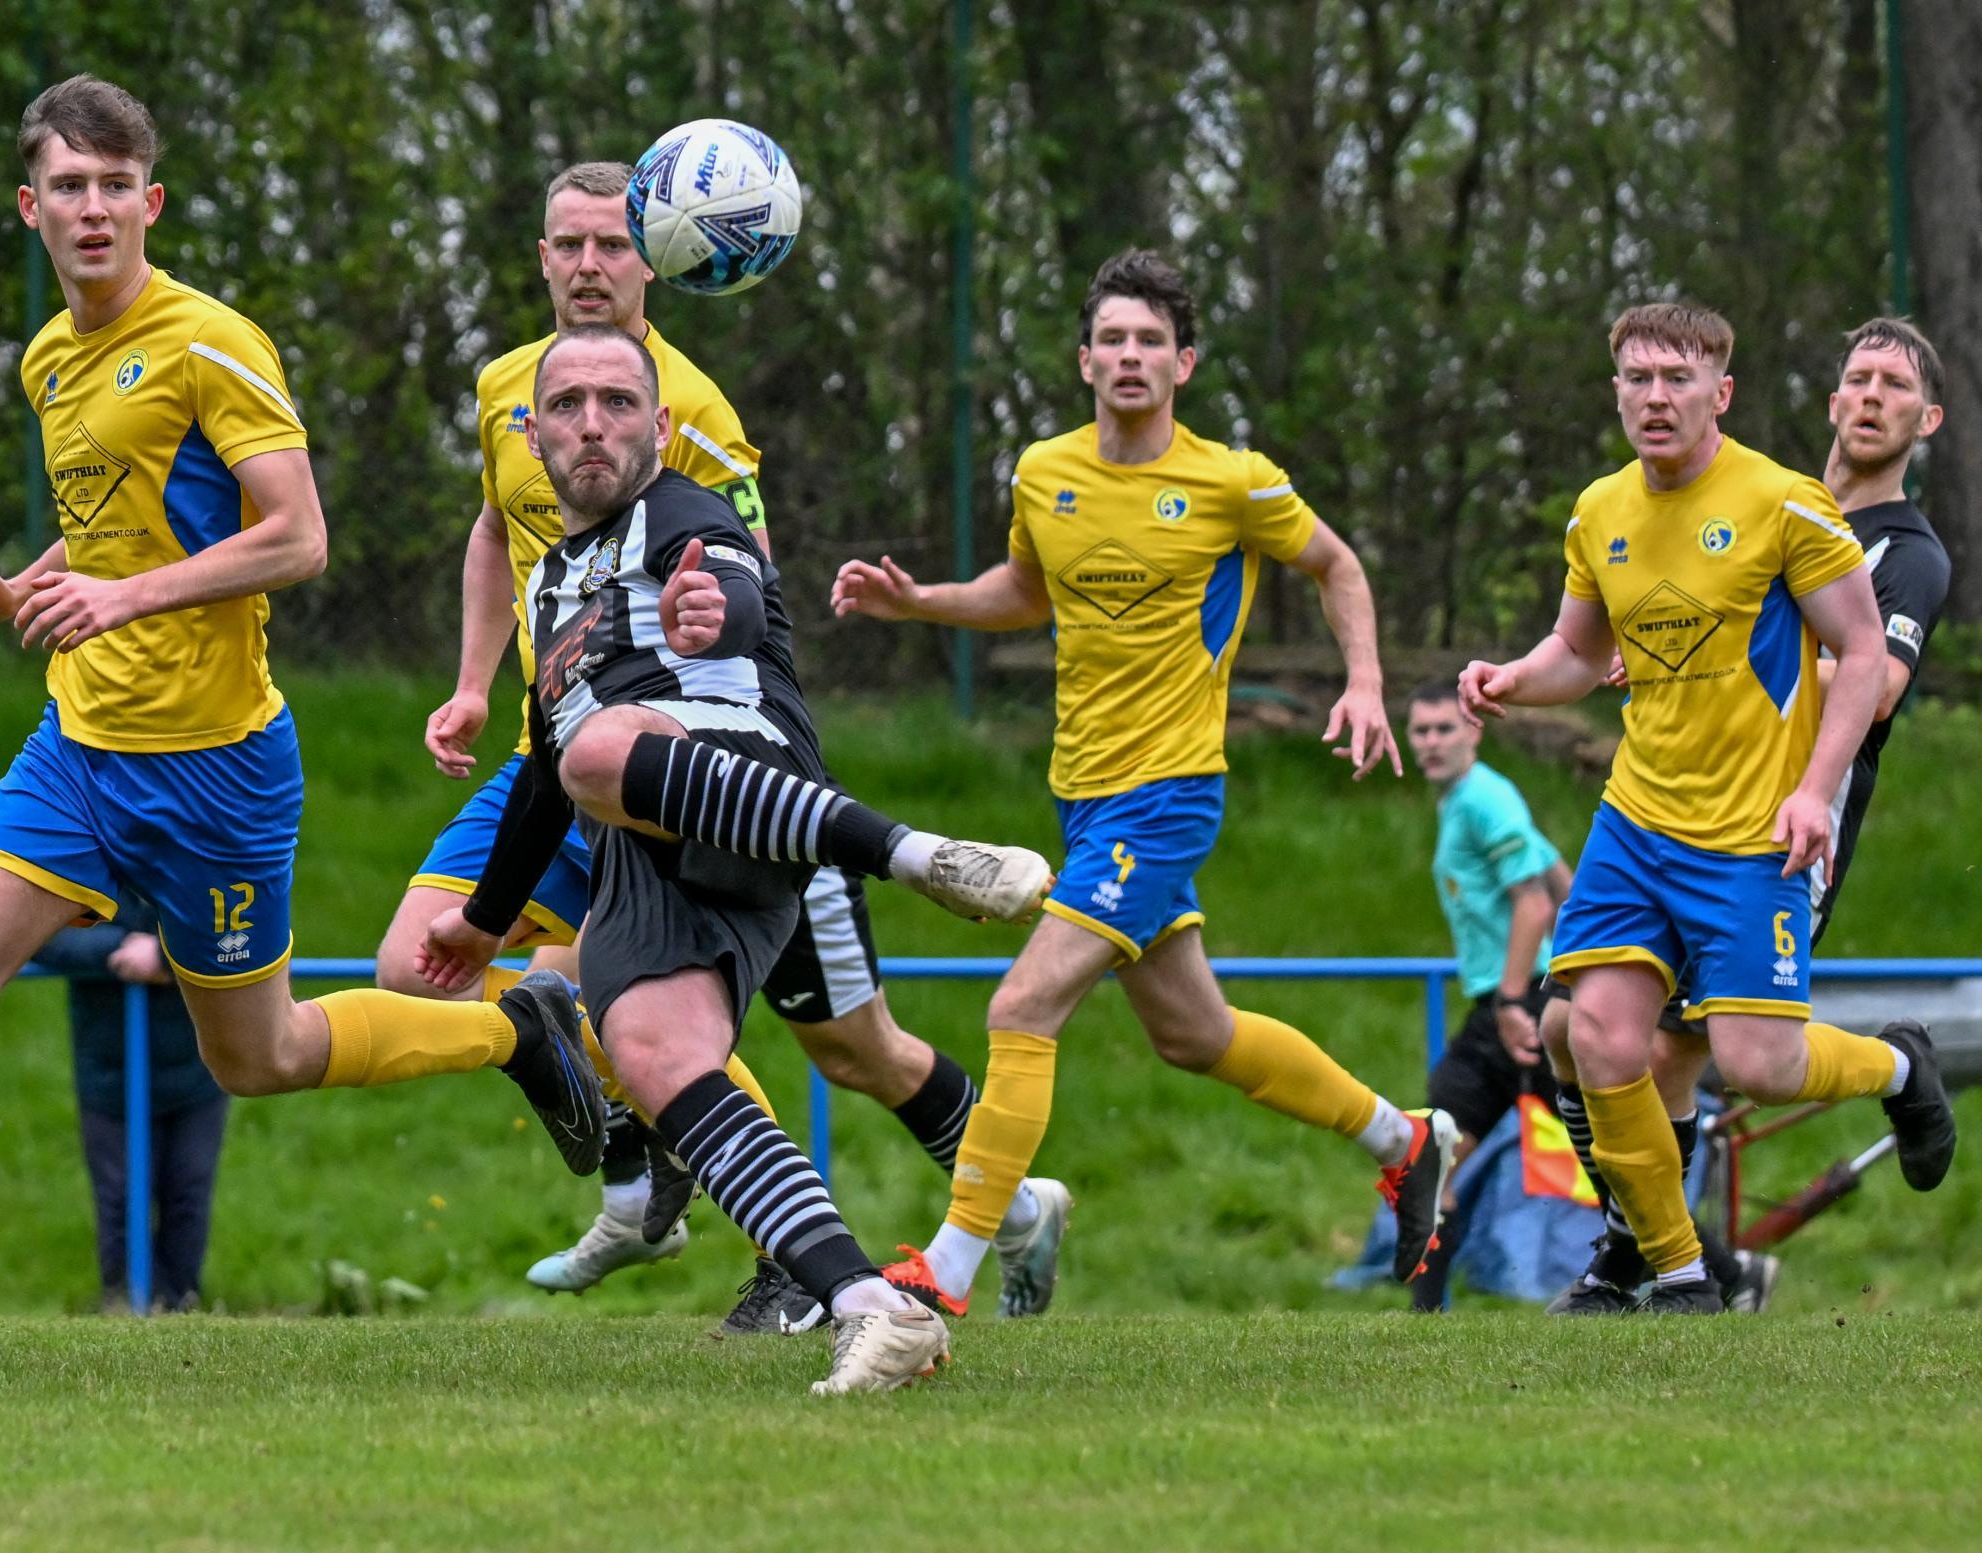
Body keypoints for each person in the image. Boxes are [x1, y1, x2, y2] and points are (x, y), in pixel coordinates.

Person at [0, 75, 605, 1364]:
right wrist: (17, 584)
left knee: (261, 1054)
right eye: (68, 186)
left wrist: (122, 595)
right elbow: (120, 528)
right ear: (31, 207)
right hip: (79, 752)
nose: (93, 208)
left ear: (151, 202)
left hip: (219, 770)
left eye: (117, 186)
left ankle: (514, 1025)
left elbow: (297, 537)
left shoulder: (210, 341)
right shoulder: (48, 359)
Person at [372, 160, 1051, 1330]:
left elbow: (735, 578)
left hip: (701, 764)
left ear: (659, 258)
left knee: (856, 1051)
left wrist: (709, 614)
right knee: (430, 971)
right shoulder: (509, 391)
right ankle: (682, 1173)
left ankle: (998, 1196)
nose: (589, 265)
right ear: (540, 258)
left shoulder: (694, 415)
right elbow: (496, 531)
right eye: (568, 244)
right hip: (561, 744)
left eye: (612, 245)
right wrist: (474, 684)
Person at [832, 248, 1456, 1319]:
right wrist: (921, 602)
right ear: (1084, 360)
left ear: (1185, 363)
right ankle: (1406, 1140)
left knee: (1023, 1004)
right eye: (1112, 339)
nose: (1130, 356)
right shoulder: (1045, 471)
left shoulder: (1233, 481)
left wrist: (1364, 682)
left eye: (1150, 342)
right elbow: (1026, 590)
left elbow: (1337, 565)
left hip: (1168, 794)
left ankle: (952, 1266)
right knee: (1194, 1035)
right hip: (1083, 797)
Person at [1458, 301, 1958, 1317]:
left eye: (1676, 379)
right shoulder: (1602, 509)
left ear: (1720, 393)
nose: (1654, 396)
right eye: (1636, 378)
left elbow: (1871, 668)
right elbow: (1581, 649)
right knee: (1590, 1033)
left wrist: (1810, 786)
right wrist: (1515, 677)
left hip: (1763, 829)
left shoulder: (1806, 516)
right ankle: (1671, 1269)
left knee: (1748, 1060)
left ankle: (1900, 1064)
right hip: (1639, 819)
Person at [1400, 683, 1571, 1311]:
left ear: (1474, 731)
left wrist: (1509, 1002)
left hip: (1517, 1006)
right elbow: (1562, 882)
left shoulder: (1483, 800)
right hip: (1507, 1005)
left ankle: (1722, 1271)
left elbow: (1534, 901)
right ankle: (1426, 1321)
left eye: (1445, 729)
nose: (1432, 742)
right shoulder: (1468, 800)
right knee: (1429, 1160)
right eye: (1420, 731)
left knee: (1607, 1158)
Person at [33, 892, 229, 1314]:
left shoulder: (201, 861)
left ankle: (179, 1307)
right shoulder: (86, 866)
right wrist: (120, 950)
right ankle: (125, 1305)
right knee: (120, 1198)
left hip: (200, 1070)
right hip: (109, 1075)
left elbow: (237, 937)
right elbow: (41, 935)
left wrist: (163, 956)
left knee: (188, 1193)